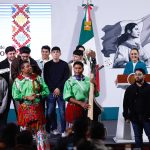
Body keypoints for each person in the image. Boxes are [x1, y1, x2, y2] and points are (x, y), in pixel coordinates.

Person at [12, 61, 50, 150]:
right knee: (24, 133)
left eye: (30, 66)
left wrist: (37, 95)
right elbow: (15, 95)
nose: (29, 68)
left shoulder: (37, 78)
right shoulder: (18, 81)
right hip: (25, 109)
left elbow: (46, 91)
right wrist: (26, 97)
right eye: (27, 66)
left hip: (37, 108)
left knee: (40, 133)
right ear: (22, 69)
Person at [44, 46, 70, 137]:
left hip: (61, 92)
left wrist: (59, 88)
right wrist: (53, 89)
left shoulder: (64, 64)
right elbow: (46, 78)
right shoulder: (47, 65)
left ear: (60, 53)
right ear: (51, 54)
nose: (55, 53)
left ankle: (63, 130)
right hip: (51, 92)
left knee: (62, 112)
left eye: (57, 52)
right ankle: (49, 129)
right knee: (49, 112)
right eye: (54, 52)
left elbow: (66, 78)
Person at [63, 61, 99, 126]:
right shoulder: (69, 81)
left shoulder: (88, 80)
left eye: (79, 68)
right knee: (74, 128)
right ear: (73, 69)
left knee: (86, 127)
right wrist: (81, 103)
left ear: (83, 69)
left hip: (86, 107)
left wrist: (95, 84)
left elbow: (95, 94)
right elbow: (68, 97)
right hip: (74, 108)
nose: (77, 70)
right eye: (75, 68)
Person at [123, 68, 150, 149]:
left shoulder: (149, 88)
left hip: (147, 118)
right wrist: (126, 116)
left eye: (139, 74)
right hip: (134, 118)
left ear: (144, 76)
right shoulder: (130, 89)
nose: (137, 76)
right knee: (137, 137)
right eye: (136, 75)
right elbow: (125, 104)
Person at [0, 46, 16, 126]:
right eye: (10, 54)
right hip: (5, 92)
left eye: (13, 53)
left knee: (19, 111)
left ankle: (21, 131)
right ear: (6, 54)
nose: (12, 55)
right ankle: (3, 130)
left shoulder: (20, 63)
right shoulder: (1, 64)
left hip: (17, 91)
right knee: (4, 111)